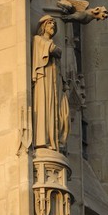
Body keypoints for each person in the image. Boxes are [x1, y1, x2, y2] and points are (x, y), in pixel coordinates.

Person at [32, 15, 70, 150]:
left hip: (56, 81)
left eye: (54, 24)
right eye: (49, 23)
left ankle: (56, 141)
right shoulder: (38, 39)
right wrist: (55, 50)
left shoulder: (49, 43)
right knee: (45, 106)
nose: (52, 26)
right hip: (44, 79)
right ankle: (45, 139)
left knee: (61, 112)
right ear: (43, 26)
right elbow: (53, 50)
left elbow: (57, 54)